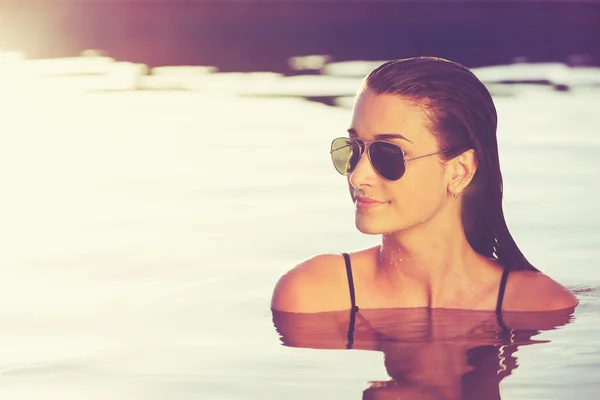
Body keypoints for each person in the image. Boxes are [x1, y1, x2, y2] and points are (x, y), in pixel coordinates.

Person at [271, 56, 578, 315]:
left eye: (389, 154)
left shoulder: (539, 305)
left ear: (459, 171)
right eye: (354, 147)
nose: (357, 177)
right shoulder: (314, 296)